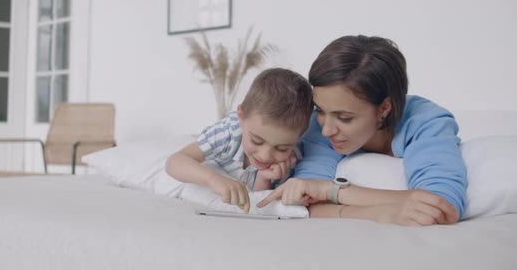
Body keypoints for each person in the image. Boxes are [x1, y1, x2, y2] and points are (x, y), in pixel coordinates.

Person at [257, 35, 467, 226]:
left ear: (384, 108)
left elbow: (441, 207)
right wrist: (381, 213)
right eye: (320, 110)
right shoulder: (317, 125)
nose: (326, 130)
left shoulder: (426, 121)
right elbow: (303, 204)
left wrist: (330, 191)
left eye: (344, 118)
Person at [166, 68, 313, 213]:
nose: (265, 156)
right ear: (241, 116)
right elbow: (174, 161)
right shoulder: (227, 133)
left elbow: (258, 206)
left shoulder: (291, 158)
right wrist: (213, 180)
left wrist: (264, 178)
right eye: (257, 141)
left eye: (281, 148)